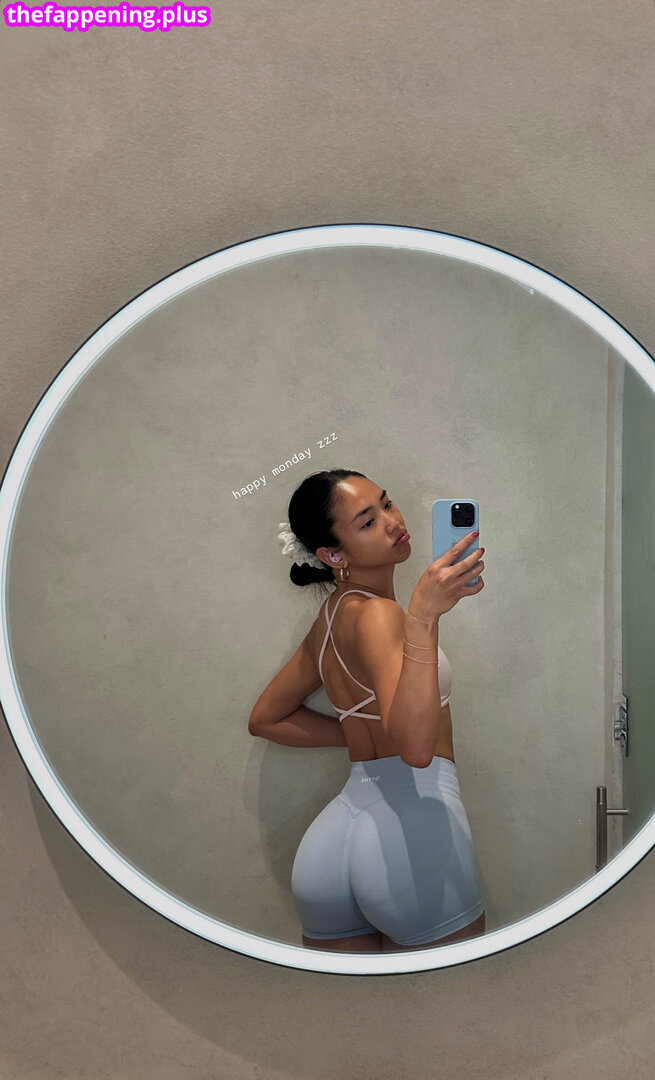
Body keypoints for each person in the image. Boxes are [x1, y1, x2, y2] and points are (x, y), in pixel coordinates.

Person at [250, 468, 486, 953]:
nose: (392, 521)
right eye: (367, 521)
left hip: (334, 840)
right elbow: (416, 752)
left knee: (356, 1007)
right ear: (333, 555)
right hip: (411, 835)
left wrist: (361, 732)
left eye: (386, 503)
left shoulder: (332, 616)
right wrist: (424, 615)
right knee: (450, 1003)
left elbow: (267, 719)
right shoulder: (380, 614)